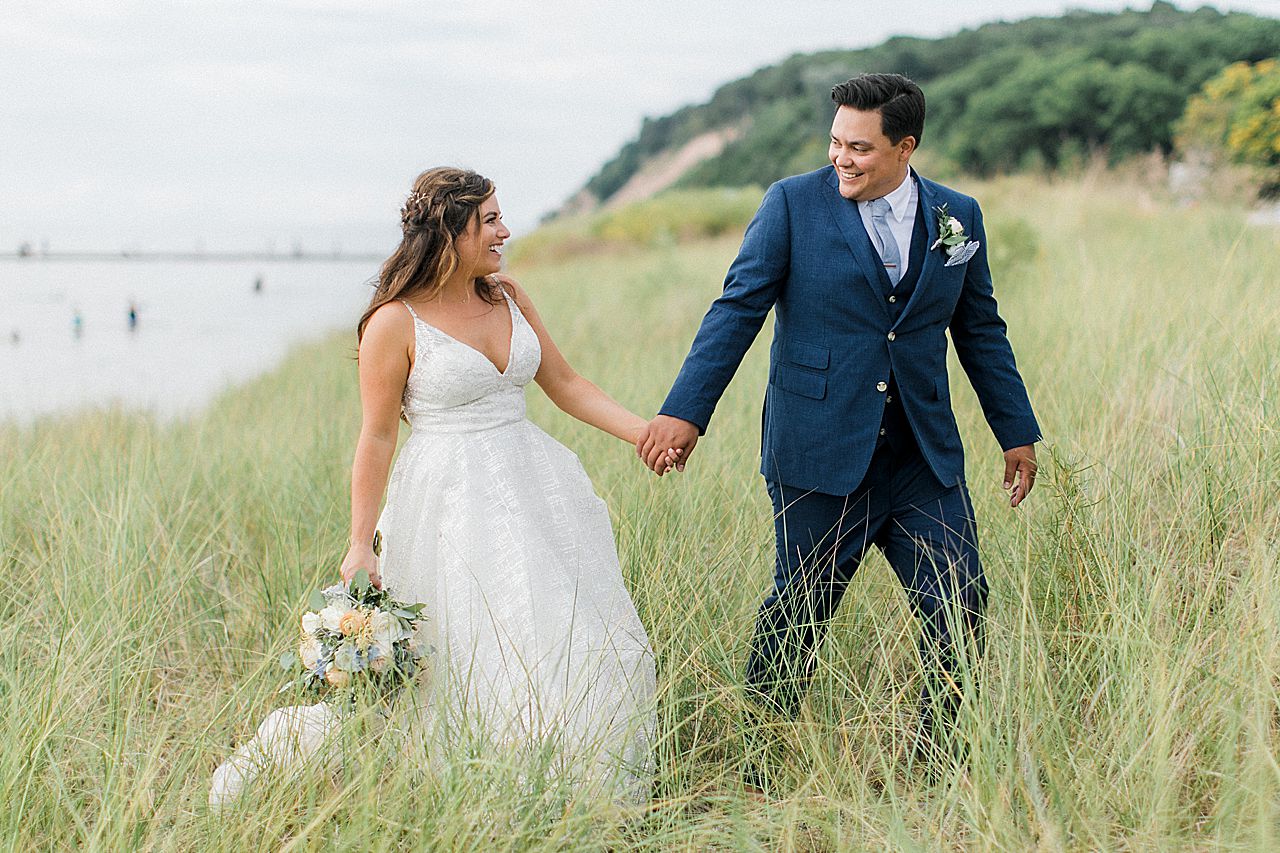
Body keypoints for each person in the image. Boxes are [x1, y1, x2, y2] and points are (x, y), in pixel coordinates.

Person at [211, 167, 664, 806]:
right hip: (452, 503)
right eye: (491, 221)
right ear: (450, 233)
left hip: (539, 490)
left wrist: (646, 434)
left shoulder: (507, 295)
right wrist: (360, 543)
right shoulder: (393, 323)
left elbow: (566, 385)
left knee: (572, 634)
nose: (506, 231)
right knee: (475, 650)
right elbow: (375, 439)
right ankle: (484, 790)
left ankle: (570, 787)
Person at [638, 73, 1041, 781]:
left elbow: (980, 329)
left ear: (905, 147)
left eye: (860, 147)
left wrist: (1015, 429)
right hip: (819, 451)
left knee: (962, 602)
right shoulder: (791, 205)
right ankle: (760, 765)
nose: (842, 159)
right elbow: (737, 308)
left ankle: (935, 769)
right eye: (835, 143)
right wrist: (684, 411)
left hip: (922, 455)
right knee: (798, 615)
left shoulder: (958, 216)